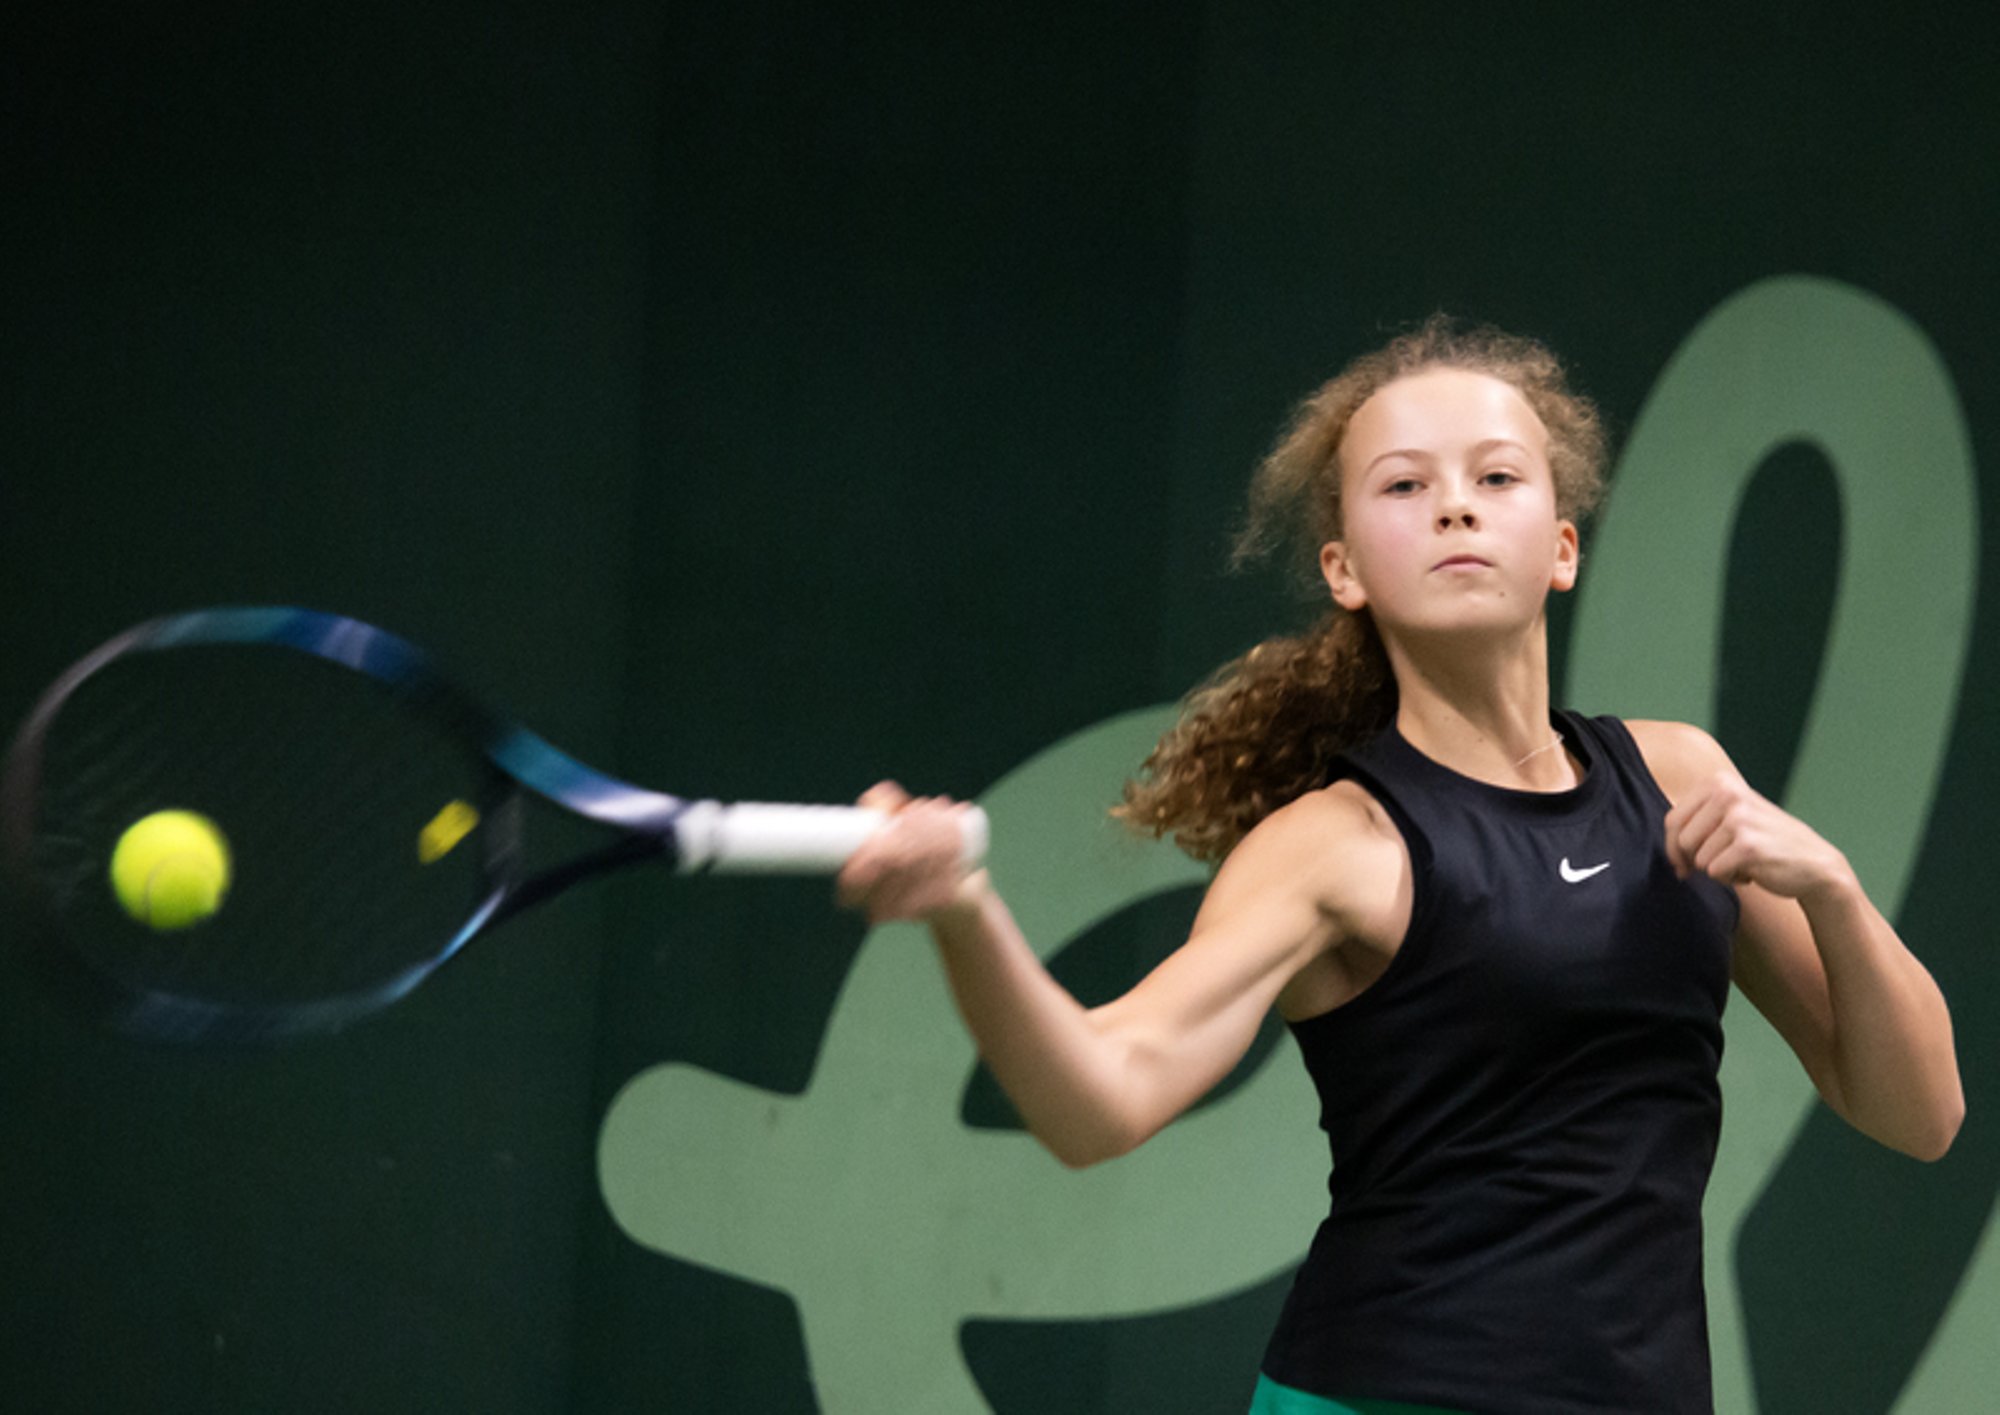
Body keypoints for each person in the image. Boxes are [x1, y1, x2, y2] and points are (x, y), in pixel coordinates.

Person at [833, 317, 1964, 1415]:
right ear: (1343, 569)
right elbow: (1101, 1098)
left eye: (1497, 477)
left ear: (1561, 547)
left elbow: (1917, 1112)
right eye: (1403, 486)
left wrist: (1834, 890)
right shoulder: (1332, 847)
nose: (1455, 504)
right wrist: (963, 912)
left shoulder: (1677, 776)